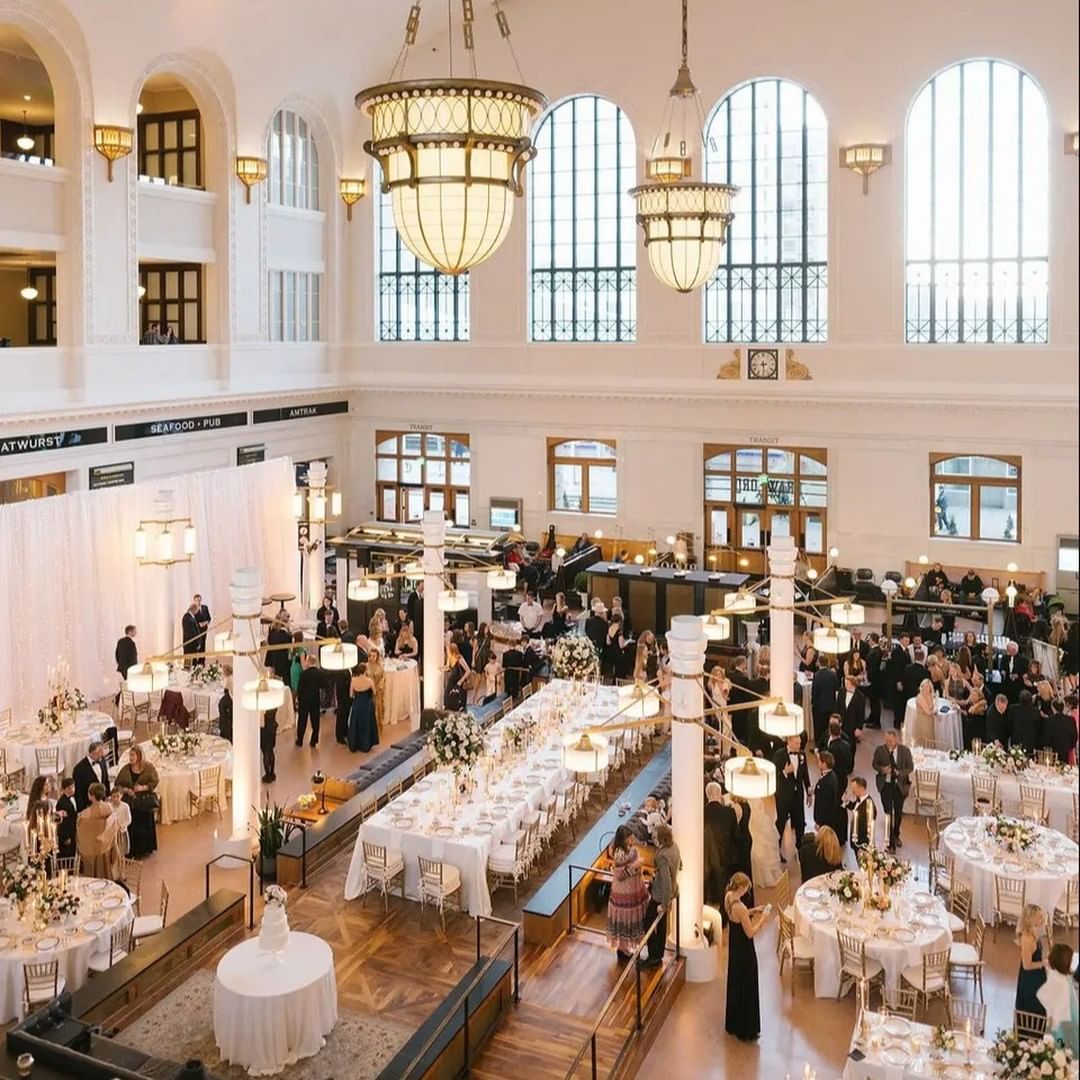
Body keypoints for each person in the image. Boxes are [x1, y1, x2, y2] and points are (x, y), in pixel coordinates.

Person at [723, 871, 771, 1041]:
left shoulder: (728, 897)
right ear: (742, 887)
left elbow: (739, 917)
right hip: (744, 949)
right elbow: (750, 933)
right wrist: (763, 919)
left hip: (734, 947)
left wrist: (754, 910)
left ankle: (734, 1022)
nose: (746, 892)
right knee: (747, 982)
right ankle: (746, 1028)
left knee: (736, 981)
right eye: (746, 889)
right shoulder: (740, 908)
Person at [605, 826, 648, 961]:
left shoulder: (630, 849)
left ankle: (627, 948)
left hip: (634, 887)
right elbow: (620, 875)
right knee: (625, 918)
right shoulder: (619, 853)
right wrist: (635, 865)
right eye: (629, 836)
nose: (632, 838)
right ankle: (623, 949)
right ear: (623, 839)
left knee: (633, 917)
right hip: (624, 890)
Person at [642, 824, 680, 968]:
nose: (653, 837)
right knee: (662, 925)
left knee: (648, 923)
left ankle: (654, 957)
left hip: (660, 896)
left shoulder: (663, 856)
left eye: (655, 835)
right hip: (669, 893)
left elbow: (666, 882)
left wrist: (663, 905)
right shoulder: (674, 847)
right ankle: (658, 956)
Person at [115, 745, 159, 858]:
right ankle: (133, 850)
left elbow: (155, 780)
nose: (130, 758)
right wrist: (126, 790)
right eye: (130, 755)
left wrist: (143, 787)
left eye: (133, 755)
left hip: (143, 802)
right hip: (131, 802)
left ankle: (145, 849)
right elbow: (118, 784)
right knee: (133, 825)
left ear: (139, 756)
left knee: (144, 824)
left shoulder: (148, 767)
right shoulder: (125, 769)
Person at [871, 729, 913, 851]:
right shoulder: (880, 750)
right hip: (886, 785)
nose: (888, 743)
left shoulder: (905, 751)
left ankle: (895, 836)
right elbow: (874, 764)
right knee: (888, 812)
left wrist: (900, 773)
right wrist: (882, 770)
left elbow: (910, 767)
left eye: (891, 741)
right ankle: (890, 841)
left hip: (899, 786)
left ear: (896, 740)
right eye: (886, 741)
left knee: (898, 812)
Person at [1037, 943, 1079, 1053]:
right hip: (1069, 1024)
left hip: (1061, 1027)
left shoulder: (1057, 981)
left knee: (1060, 1047)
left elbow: (1043, 996)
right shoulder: (1065, 978)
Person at [773, 735, 810, 854]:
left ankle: (801, 848)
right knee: (781, 822)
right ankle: (777, 850)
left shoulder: (802, 754)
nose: (799, 746)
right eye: (796, 744)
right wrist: (785, 772)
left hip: (798, 794)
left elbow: (805, 773)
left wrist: (808, 789)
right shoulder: (779, 755)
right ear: (788, 742)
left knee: (800, 822)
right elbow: (774, 775)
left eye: (799, 743)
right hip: (784, 795)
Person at [703, 782, 739, 906]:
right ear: (720, 794)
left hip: (705, 856)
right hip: (724, 855)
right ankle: (723, 916)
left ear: (707, 795)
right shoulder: (729, 812)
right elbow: (736, 835)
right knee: (723, 887)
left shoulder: (701, 812)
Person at [76, 783, 122, 880]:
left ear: (91, 796)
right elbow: (115, 826)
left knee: (93, 879)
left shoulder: (85, 815)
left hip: (92, 852)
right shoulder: (109, 808)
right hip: (108, 849)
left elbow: (81, 834)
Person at [1015, 903, 1049, 1016]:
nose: (1042, 919)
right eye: (1039, 917)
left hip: (1037, 976)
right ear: (1031, 919)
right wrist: (1043, 963)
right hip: (1031, 980)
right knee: (1033, 1008)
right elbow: (1026, 965)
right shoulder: (1027, 938)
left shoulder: (1033, 932)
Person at [346, 663, 378, 753]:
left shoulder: (353, 680)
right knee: (366, 723)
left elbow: (350, 695)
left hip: (357, 704)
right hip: (367, 704)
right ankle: (366, 744)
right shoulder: (369, 681)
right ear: (365, 670)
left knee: (356, 723)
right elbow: (374, 692)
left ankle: (355, 744)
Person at [295, 654, 325, 747]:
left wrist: (298, 698)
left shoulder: (304, 674)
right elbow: (324, 685)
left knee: (302, 721)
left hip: (304, 700)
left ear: (308, 661)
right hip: (315, 699)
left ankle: (300, 740)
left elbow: (300, 688)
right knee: (315, 721)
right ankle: (313, 741)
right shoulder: (320, 673)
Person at [73, 741, 111, 811]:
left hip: (103, 802)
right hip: (89, 805)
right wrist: (82, 810)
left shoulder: (102, 760)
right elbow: (78, 792)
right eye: (100, 752)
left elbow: (106, 779)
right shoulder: (79, 769)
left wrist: (108, 795)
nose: (102, 755)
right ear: (93, 753)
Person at [811, 656, 839, 747]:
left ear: (819, 663)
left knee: (818, 729)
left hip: (819, 707)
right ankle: (828, 745)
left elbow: (814, 692)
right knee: (828, 727)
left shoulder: (817, 675)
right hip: (831, 705)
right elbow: (836, 688)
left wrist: (813, 704)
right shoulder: (833, 674)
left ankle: (818, 746)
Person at [812, 751, 842, 836]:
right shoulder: (832, 776)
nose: (817, 763)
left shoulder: (826, 782)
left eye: (819, 761)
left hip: (825, 821)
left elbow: (823, 805)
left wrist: (819, 822)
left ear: (824, 764)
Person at [1008, 689, 1041, 756]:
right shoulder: (1036, 711)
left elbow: (1009, 724)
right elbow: (1038, 728)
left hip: (1016, 739)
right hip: (1030, 741)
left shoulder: (1013, 708)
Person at [845, 776, 875, 851]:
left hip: (862, 841)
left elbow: (869, 824)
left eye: (854, 789)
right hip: (856, 838)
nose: (852, 791)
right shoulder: (859, 799)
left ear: (861, 788)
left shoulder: (869, 805)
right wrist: (846, 802)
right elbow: (854, 806)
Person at [837, 674, 866, 744]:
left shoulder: (861, 697)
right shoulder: (841, 691)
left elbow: (861, 714)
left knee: (851, 745)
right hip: (841, 724)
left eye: (847, 683)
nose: (845, 685)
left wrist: (859, 728)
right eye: (845, 683)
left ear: (853, 684)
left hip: (852, 725)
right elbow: (837, 707)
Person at [114, 625, 138, 705]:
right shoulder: (131, 643)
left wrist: (120, 663)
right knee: (129, 685)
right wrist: (135, 669)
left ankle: (118, 699)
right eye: (135, 631)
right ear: (130, 632)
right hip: (129, 669)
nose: (136, 632)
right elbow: (133, 658)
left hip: (121, 667)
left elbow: (116, 654)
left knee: (126, 685)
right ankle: (118, 699)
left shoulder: (120, 641)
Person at [444, 642, 471, 711]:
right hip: (451, 682)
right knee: (448, 698)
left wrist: (461, 681)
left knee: (457, 699)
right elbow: (448, 667)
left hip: (458, 683)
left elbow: (468, 671)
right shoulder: (450, 658)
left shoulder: (460, 659)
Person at [55, 777, 77, 860]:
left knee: (72, 853)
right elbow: (63, 823)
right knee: (66, 855)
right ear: (63, 790)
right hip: (66, 833)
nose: (72, 790)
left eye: (73, 787)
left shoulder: (74, 798)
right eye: (69, 788)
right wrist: (66, 837)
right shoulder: (61, 803)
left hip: (73, 830)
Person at [912, 678, 938, 746]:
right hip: (923, 722)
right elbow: (928, 712)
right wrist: (935, 711)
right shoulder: (920, 697)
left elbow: (933, 706)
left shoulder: (930, 695)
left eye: (927, 687)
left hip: (930, 721)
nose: (926, 688)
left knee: (931, 740)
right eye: (924, 686)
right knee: (925, 741)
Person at [266, 618, 293, 684]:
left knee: (275, 679)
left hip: (274, 659)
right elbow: (290, 650)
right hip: (284, 661)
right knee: (285, 679)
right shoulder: (288, 636)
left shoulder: (273, 635)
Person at [260, 705, 278, 783]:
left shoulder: (262, 705)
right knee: (271, 750)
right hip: (272, 726)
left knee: (266, 752)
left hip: (265, 729)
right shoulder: (273, 702)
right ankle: (272, 773)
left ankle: (267, 775)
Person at [181, 602, 201, 667]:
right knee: (188, 664)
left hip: (193, 645)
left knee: (194, 663)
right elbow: (191, 633)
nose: (198, 611)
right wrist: (197, 643)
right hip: (190, 645)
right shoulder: (186, 617)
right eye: (197, 610)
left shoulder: (192, 617)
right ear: (193, 609)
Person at [192, 593, 211, 660]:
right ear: (194, 601)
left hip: (204, 631)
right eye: (197, 600)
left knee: (203, 647)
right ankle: (195, 664)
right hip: (196, 632)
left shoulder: (205, 608)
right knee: (196, 647)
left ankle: (202, 662)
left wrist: (206, 622)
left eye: (199, 600)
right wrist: (199, 624)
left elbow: (209, 618)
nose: (198, 602)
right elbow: (191, 620)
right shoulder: (192, 609)